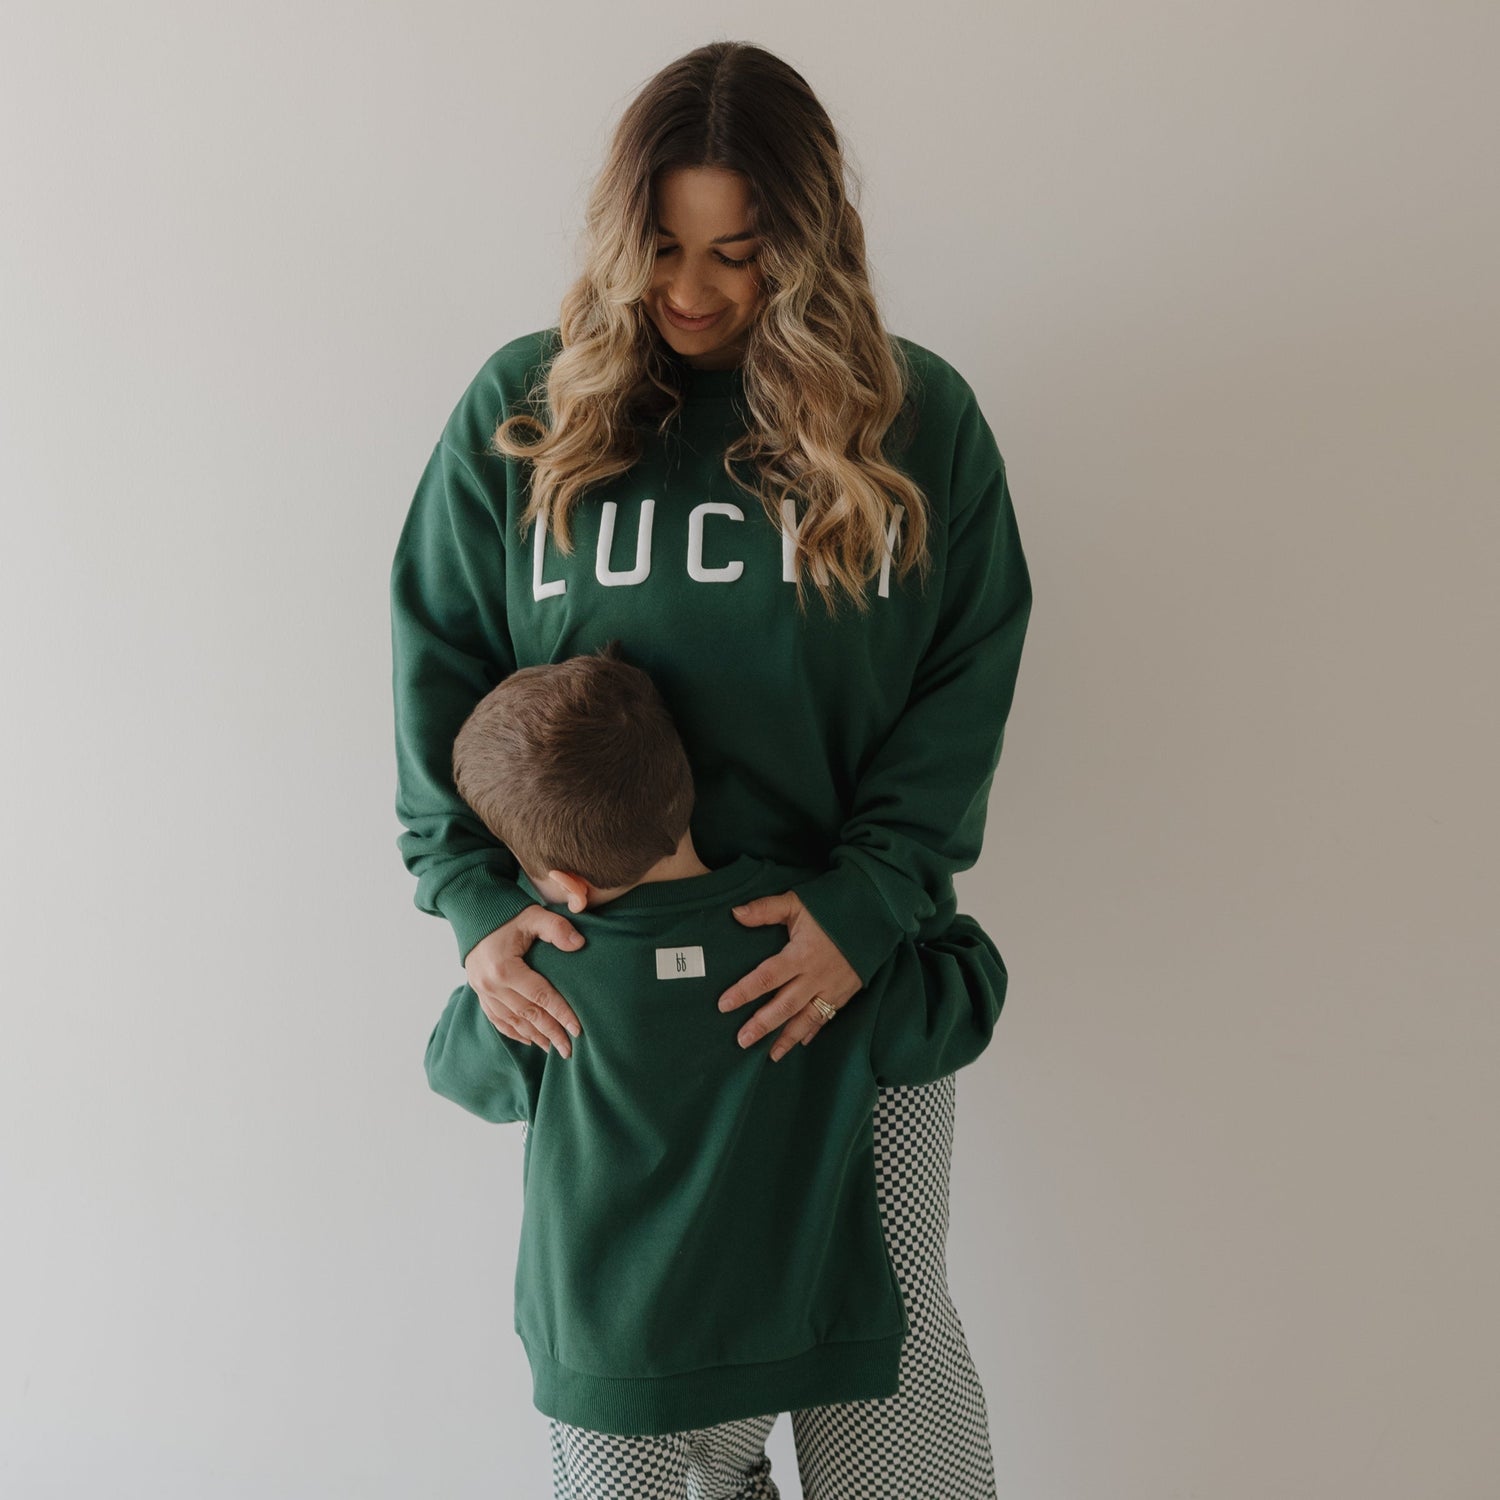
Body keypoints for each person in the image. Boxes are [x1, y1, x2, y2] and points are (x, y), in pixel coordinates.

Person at [389, 39, 1032, 1500]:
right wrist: (475, 905)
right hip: (615, 1014)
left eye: (737, 254)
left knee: (885, 1378)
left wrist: (871, 902)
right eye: (664, 248)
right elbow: (437, 663)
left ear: (807, 245)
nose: (689, 290)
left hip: (841, 985)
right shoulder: (529, 410)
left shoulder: (920, 421)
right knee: (645, 1407)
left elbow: (964, 679)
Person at [422, 639, 1008, 1478]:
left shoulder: (545, 984)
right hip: (783, 1339)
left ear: (563, 883)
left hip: (611, 1374)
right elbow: (962, 1007)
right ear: (686, 792)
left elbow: (453, 1068)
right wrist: (942, 934)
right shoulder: (813, 955)